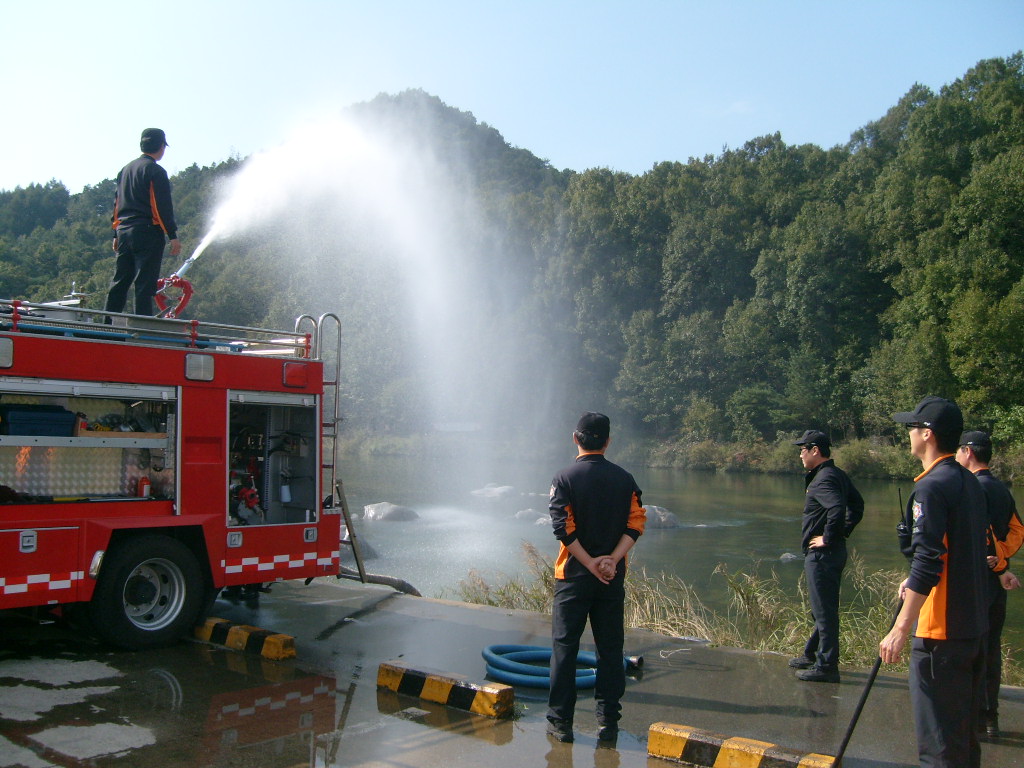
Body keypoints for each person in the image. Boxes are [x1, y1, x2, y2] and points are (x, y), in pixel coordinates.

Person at [880, 396, 989, 768]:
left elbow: (929, 561)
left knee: (939, 748)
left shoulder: (931, 487)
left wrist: (900, 628)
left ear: (927, 434)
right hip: (972, 628)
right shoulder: (969, 482)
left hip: (939, 635)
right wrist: (913, 577)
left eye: (912, 427)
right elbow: (956, 550)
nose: (908, 434)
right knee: (963, 742)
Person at [546, 412, 646, 744]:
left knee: (565, 649)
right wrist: (611, 561)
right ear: (608, 441)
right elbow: (636, 523)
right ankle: (608, 723)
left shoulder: (564, 478)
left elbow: (562, 528)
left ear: (576, 438)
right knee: (610, 649)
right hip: (610, 578)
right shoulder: (625, 479)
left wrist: (589, 563)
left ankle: (561, 723)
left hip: (573, 576)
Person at [956, 430, 1023, 738]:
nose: (956, 455)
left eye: (959, 449)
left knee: (970, 647)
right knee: (991, 648)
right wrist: (1003, 563)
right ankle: (989, 717)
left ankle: (971, 719)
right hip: (996, 582)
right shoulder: (1000, 488)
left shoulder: (972, 488)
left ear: (968, 452)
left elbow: (980, 532)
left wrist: (997, 566)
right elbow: (1017, 530)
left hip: (976, 579)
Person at [788, 429, 864, 683]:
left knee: (824, 611)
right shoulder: (836, 474)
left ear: (815, 451)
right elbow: (857, 505)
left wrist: (829, 538)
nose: (800, 455)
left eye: (803, 450)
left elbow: (837, 508)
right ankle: (811, 654)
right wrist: (843, 532)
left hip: (823, 554)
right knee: (822, 607)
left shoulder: (823, 479)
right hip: (831, 553)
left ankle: (827, 666)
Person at [105, 128, 181, 316]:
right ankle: (141, 325)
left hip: (123, 230)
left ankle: (108, 323)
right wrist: (172, 235)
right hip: (147, 231)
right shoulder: (155, 171)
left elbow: (117, 203)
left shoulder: (125, 170)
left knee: (120, 281)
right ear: (161, 147)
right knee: (144, 283)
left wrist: (115, 233)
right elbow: (161, 206)